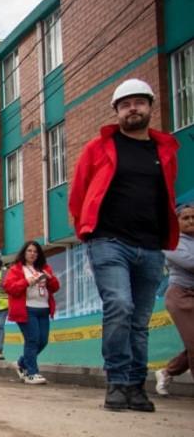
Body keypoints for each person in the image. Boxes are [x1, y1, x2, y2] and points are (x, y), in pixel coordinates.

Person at [69, 78, 178, 412]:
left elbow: (165, 195)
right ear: (116, 111)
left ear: (150, 107)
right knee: (119, 305)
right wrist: (87, 230)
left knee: (139, 320)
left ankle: (135, 386)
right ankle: (116, 382)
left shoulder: (164, 151)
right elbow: (78, 193)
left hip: (150, 246)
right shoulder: (98, 148)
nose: (133, 108)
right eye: (126, 104)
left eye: (139, 102)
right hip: (108, 241)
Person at [3, 241, 59, 386]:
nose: (32, 254)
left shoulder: (44, 268)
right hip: (27, 309)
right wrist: (27, 281)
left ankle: (21, 363)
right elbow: (10, 288)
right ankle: (32, 373)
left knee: (43, 341)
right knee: (32, 340)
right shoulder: (16, 269)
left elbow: (55, 287)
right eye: (29, 251)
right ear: (24, 253)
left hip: (44, 308)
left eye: (35, 251)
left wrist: (50, 278)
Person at [156, 203, 194, 396]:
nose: (191, 221)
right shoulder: (172, 241)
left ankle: (167, 371)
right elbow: (190, 263)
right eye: (185, 218)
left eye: (193, 217)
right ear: (177, 222)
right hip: (181, 296)